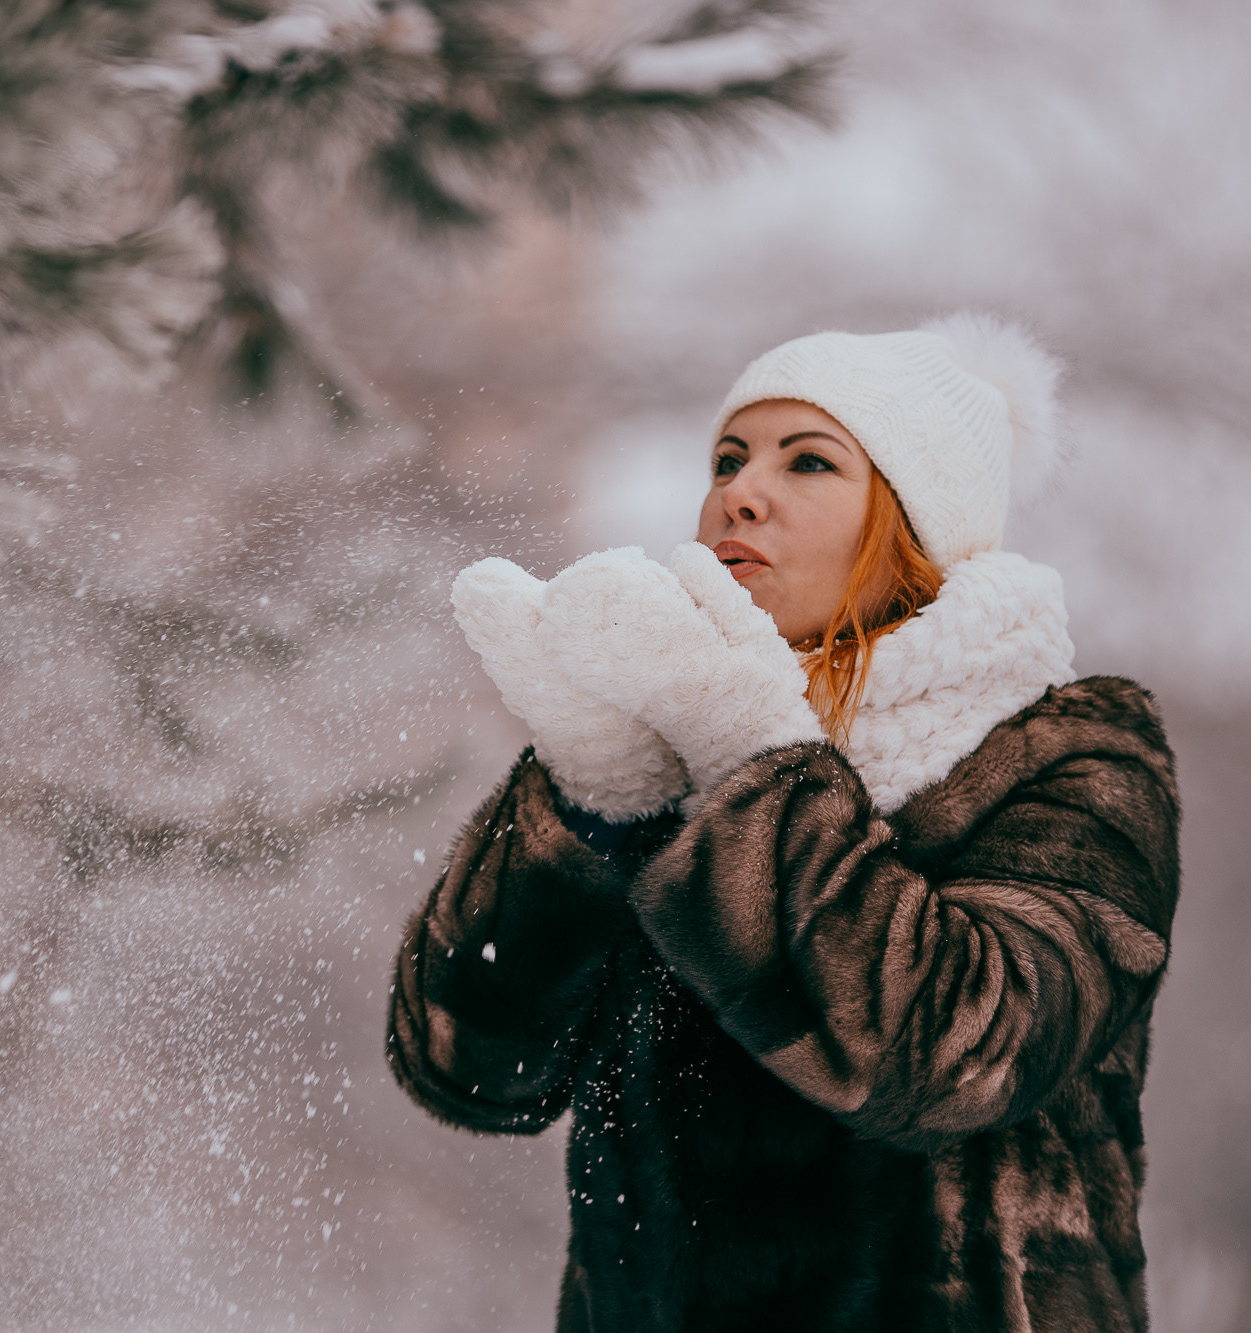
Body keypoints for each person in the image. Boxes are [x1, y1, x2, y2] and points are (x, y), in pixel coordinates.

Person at [386, 314, 1180, 1333]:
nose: (737, 490)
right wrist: (594, 801)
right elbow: (464, 1066)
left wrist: (748, 755)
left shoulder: (1071, 757)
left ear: (913, 525)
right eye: (726, 456)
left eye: (807, 462)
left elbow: (952, 1057)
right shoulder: (659, 755)